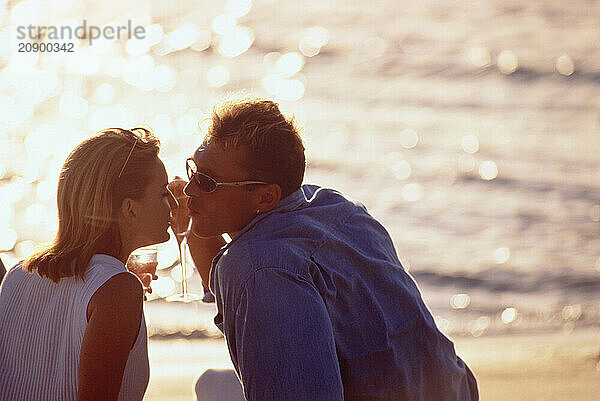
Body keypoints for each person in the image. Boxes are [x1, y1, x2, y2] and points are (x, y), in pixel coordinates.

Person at [174, 98, 478, 401]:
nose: (189, 190)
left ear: (266, 197)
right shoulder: (334, 208)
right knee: (212, 383)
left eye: (206, 181)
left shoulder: (260, 268)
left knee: (212, 388)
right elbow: (243, 304)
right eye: (193, 170)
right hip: (453, 391)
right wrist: (194, 223)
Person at [0, 128, 175, 401]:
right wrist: (120, 288)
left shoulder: (17, 275)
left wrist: (119, 282)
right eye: (163, 194)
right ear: (130, 209)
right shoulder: (117, 290)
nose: (173, 204)